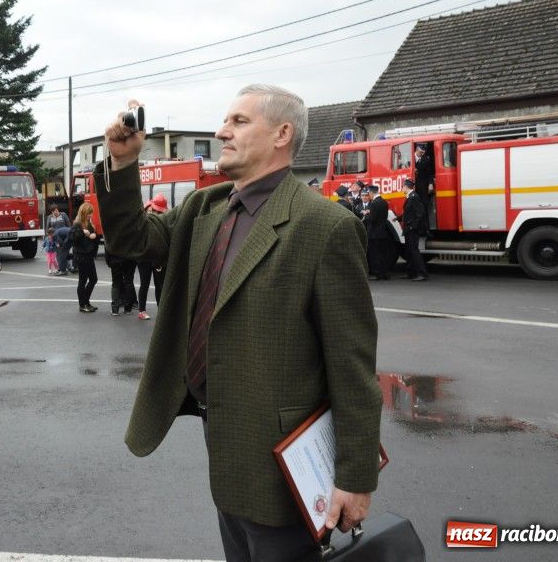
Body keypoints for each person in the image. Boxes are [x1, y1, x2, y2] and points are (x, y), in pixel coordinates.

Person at [95, 86, 380, 561]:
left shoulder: (323, 226)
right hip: (225, 443)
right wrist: (123, 163)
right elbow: (129, 238)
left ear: (282, 134)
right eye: (226, 120)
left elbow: (352, 366)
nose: (221, 131)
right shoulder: (204, 210)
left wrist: (355, 478)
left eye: (239, 121)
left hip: (285, 464)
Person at [136, 194, 168, 321]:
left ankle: (160, 310)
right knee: (145, 284)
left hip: (155, 258)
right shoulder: (144, 222)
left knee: (159, 285)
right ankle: (141, 310)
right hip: (145, 258)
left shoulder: (161, 220)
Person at [70, 202, 100, 312]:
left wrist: (93, 234)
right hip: (81, 256)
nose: (90, 215)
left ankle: (85, 301)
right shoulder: (77, 224)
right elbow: (73, 237)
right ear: (83, 213)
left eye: (91, 213)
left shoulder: (88, 223)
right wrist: (85, 233)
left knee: (93, 279)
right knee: (82, 280)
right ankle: (83, 304)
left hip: (88, 255)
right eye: (89, 213)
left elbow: (94, 238)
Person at [401, 179, 429, 282]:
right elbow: (410, 213)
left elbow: (420, 213)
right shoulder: (410, 197)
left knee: (414, 251)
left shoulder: (414, 197)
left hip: (412, 229)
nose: (402, 188)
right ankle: (411, 273)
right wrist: (399, 218)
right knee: (409, 251)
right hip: (408, 229)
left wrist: (413, 226)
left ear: (406, 187)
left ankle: (422, 273)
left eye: (403, 186)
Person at [365, 184, 393, 281]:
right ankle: (385, 273)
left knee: (375, 254)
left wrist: (367, 214)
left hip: (374, 233)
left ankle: (378, 274)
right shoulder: (384, 202)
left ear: (372, 193)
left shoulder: (373, 203)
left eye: (369, 193)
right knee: (383, 254)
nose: (369, 195)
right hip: (383, 232)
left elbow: (372, 219)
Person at [105, 250, 137, 316]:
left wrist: (108, 260)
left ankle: (115, 310)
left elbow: (108, 245)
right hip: (129, 258)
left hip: (115, 258)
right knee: (129, 282)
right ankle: (128, 308)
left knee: (116, 284)